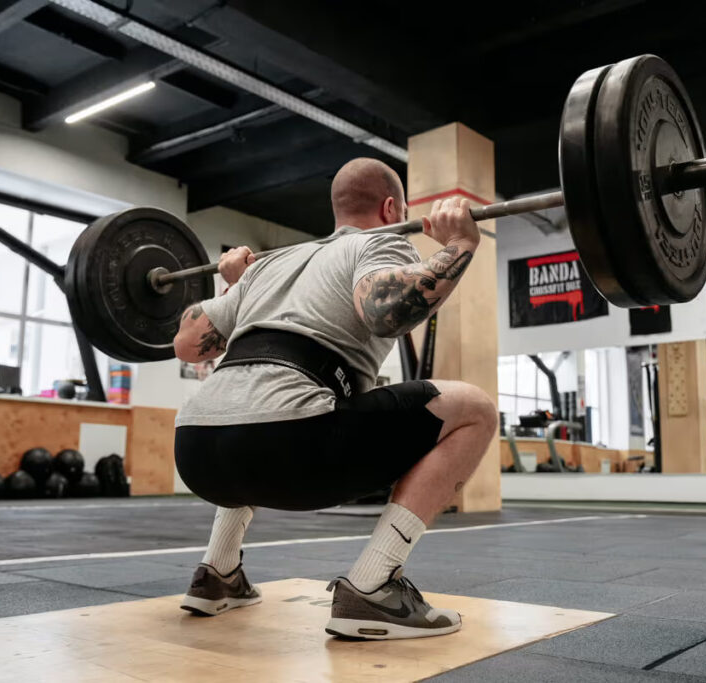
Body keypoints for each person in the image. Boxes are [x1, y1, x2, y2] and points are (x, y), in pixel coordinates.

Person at [172, 157, 497, 640]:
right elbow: (383, 311)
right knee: (475, 409)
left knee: (255, 400)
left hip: (195, 452)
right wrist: (461, 243)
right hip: (292, 450)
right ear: (392, 207)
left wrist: (233, 284)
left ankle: (217, 574)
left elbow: (186, 341)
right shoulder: (380, 241)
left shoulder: (270, 267)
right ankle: (373, 589)